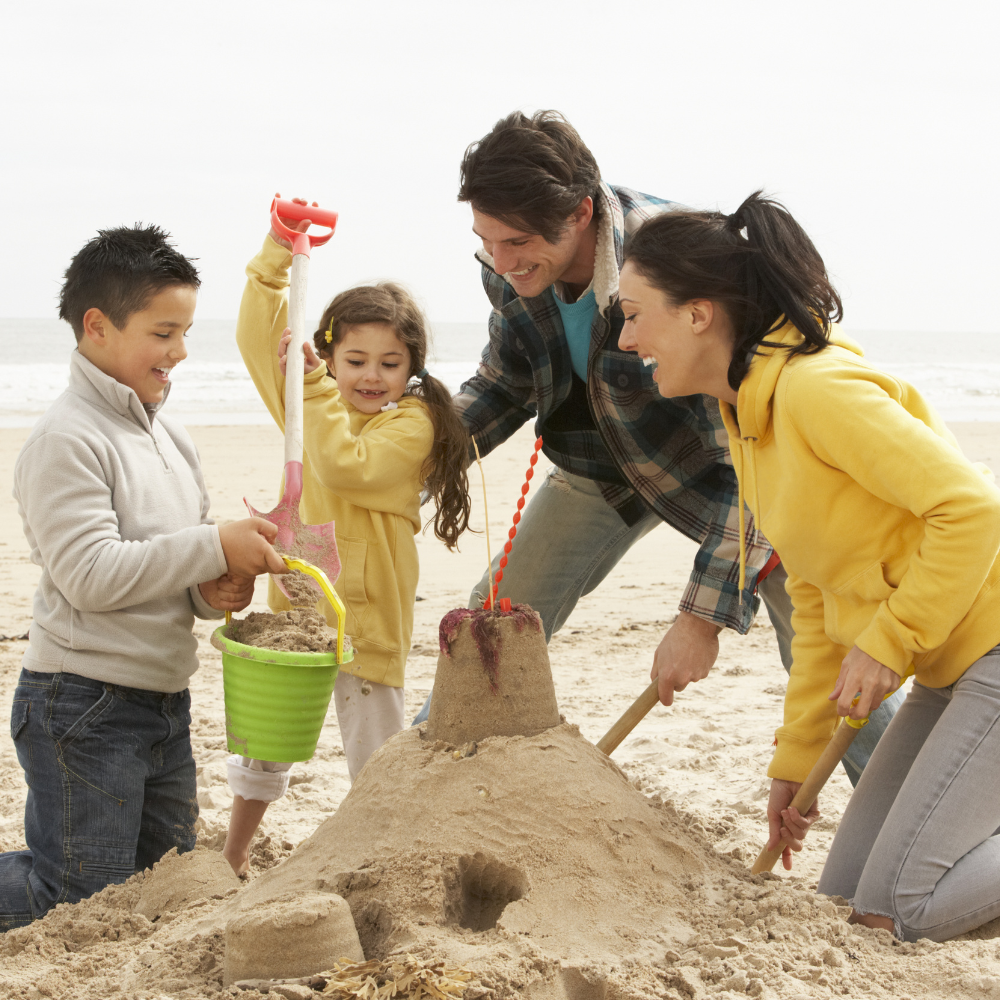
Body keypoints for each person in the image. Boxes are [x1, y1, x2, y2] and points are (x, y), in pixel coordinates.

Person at [413, 110, 899, 784]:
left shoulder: (676, 263)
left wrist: (700, 618)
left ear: (581, 212)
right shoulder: (510, 264)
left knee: (828, 653)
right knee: (491, 619)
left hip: (739, 473)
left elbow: (758, 449)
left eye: (517, 242)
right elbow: (506, 380)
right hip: (602, 467)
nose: (502, 262)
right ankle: (422, 786)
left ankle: (911, 809)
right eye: (486, 242)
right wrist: (409, 454)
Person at [618, 191, 1000, 941]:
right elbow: (819, 600)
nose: (627, 339)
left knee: (900, 909)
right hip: (948, 667)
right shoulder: (750, 422)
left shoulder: (816, 389)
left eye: (634, 314)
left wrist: (889, 641)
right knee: (844, 901)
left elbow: (973, 510)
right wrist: (792, 763)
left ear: (698, 313)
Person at [0, 226, 286, 930]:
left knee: (163, 880)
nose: (181, 352)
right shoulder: (68, 439)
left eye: (185, 331)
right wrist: (212, 542)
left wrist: (211, 586)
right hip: (82, 703)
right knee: (78, 901)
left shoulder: (168, 435)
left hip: (161, 701)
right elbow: (93, 575)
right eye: (164, 332)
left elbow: (168, 565)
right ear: (97, 327)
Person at [225, 201, 471, 875]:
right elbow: (254, 337)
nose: (369, 376)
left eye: (389, 363)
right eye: (354, 358)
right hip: (299, 613)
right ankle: (235, 853)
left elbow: (343, 465)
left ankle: (390, 866)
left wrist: (309, 384)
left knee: (377, 762)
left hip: (366, 626)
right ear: (329, 354)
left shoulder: (411, 426)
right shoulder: (311, 401)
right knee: (264, 743)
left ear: (411, 368)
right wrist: (277, 253)